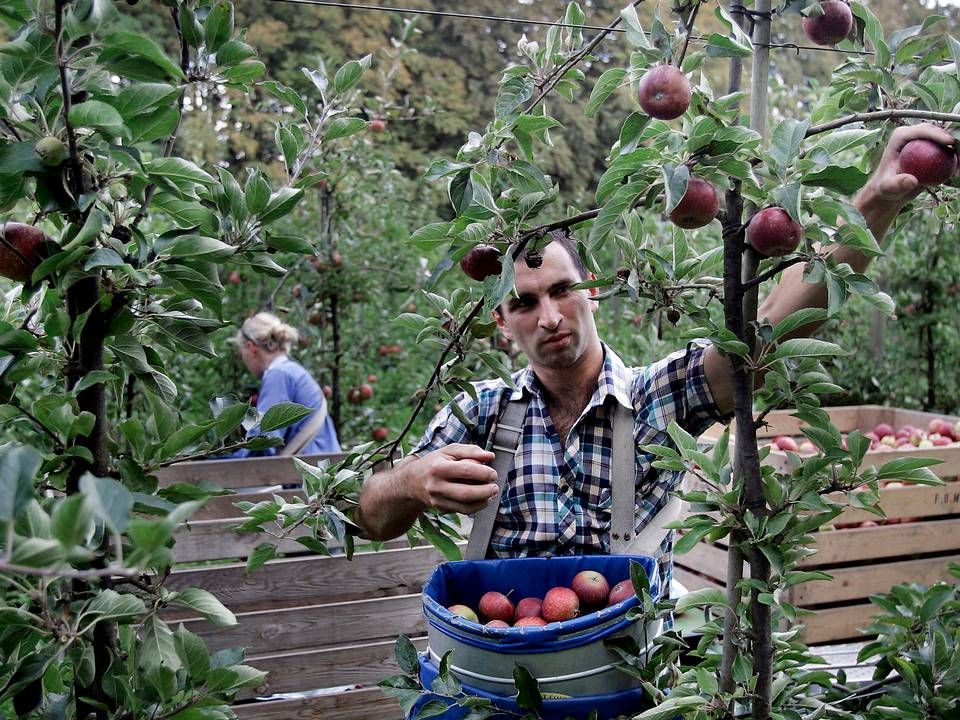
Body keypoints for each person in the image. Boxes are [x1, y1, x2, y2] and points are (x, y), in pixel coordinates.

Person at [355, 123, 957, 590]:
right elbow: (372, 516)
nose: (550, 317)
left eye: (562, 290)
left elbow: (767, 334)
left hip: (630, 681)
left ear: (590, 290)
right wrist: (410, 478)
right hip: (508, 664)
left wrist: (877, 198)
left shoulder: (654, 399)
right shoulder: (481, 414)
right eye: (524, 303)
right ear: (501, 322)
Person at [230, 312, 341, 456]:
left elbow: (262, 443)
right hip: (326, 470)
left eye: (241, 353)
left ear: (251, 348)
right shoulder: (293, 371)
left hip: (309, 475)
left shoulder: (278, 375)